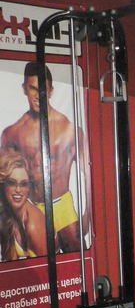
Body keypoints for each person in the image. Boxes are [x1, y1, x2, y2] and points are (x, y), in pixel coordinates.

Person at [1, 61, 90, 253]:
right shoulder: (12, 133)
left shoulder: (69, 130)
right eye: (33, 88)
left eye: (43, 89)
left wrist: (88, 216)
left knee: (77, 261)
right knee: (38, 267)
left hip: (63, 207)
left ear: (51, 91)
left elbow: (90, 175)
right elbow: (3, 180)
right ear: (24, 89)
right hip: (32, 208)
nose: (38, 95)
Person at [0, 151, 48, 261]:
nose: (18, 190)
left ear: (29, 187)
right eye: (12, 183)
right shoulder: (8, 214)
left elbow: (50, 267)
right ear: (3, 185)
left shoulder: (33, 225)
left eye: (23, 184)